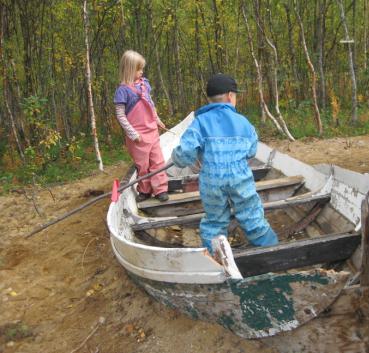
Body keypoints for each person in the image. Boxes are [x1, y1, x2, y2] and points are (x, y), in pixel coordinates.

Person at [171, 73, 278, 252]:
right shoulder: (244, 122)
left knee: (215, 220)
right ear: (230, 96)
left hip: (212, 180)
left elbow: (185, 154)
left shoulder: (199, 122)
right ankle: (272, 250)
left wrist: (178, 157)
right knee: (252, 215)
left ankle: (216, 257)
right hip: (240, 178)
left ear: (209, 99)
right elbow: (251, 150)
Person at [114, 50, 169, 202]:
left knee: (157, 161)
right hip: (138, 136)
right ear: (130, 70)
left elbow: (150, 105)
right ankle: (144, 191)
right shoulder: (122, 91)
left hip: (152, 130)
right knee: (142, 165)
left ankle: (160, 190)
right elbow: (120, 115)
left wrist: (157, 119)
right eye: (139, 69)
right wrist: (132, 133)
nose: (142, 72)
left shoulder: (144, 85)